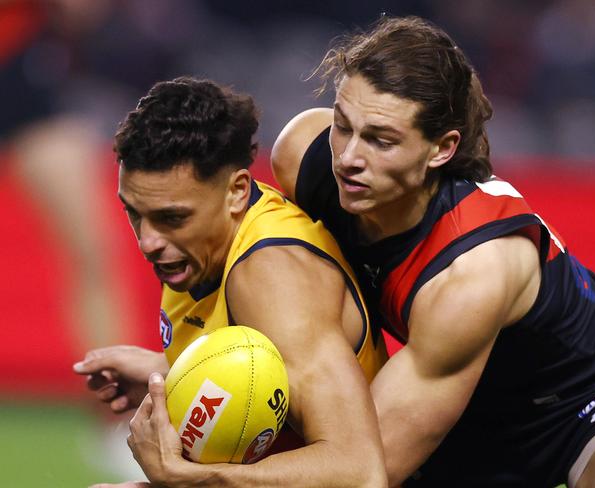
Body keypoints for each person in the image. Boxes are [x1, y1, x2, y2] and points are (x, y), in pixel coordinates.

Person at [271, 15, 595, 488]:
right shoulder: (303, 158)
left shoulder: (472, 270)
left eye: (381, 140)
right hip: (469, 404)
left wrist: (202, 481)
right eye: (344, 126)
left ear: (442, 149)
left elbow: (365, 470)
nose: (348, 158)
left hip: (589, 401)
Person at [73, 76, 388, 487]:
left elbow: (359, 472)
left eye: (172, 218)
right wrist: (168, 375)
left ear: (237, 192)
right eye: (135, 212)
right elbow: (268, 390)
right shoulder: (198, 246)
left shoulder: (273, 279)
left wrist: (182, 479)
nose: (148, 242)